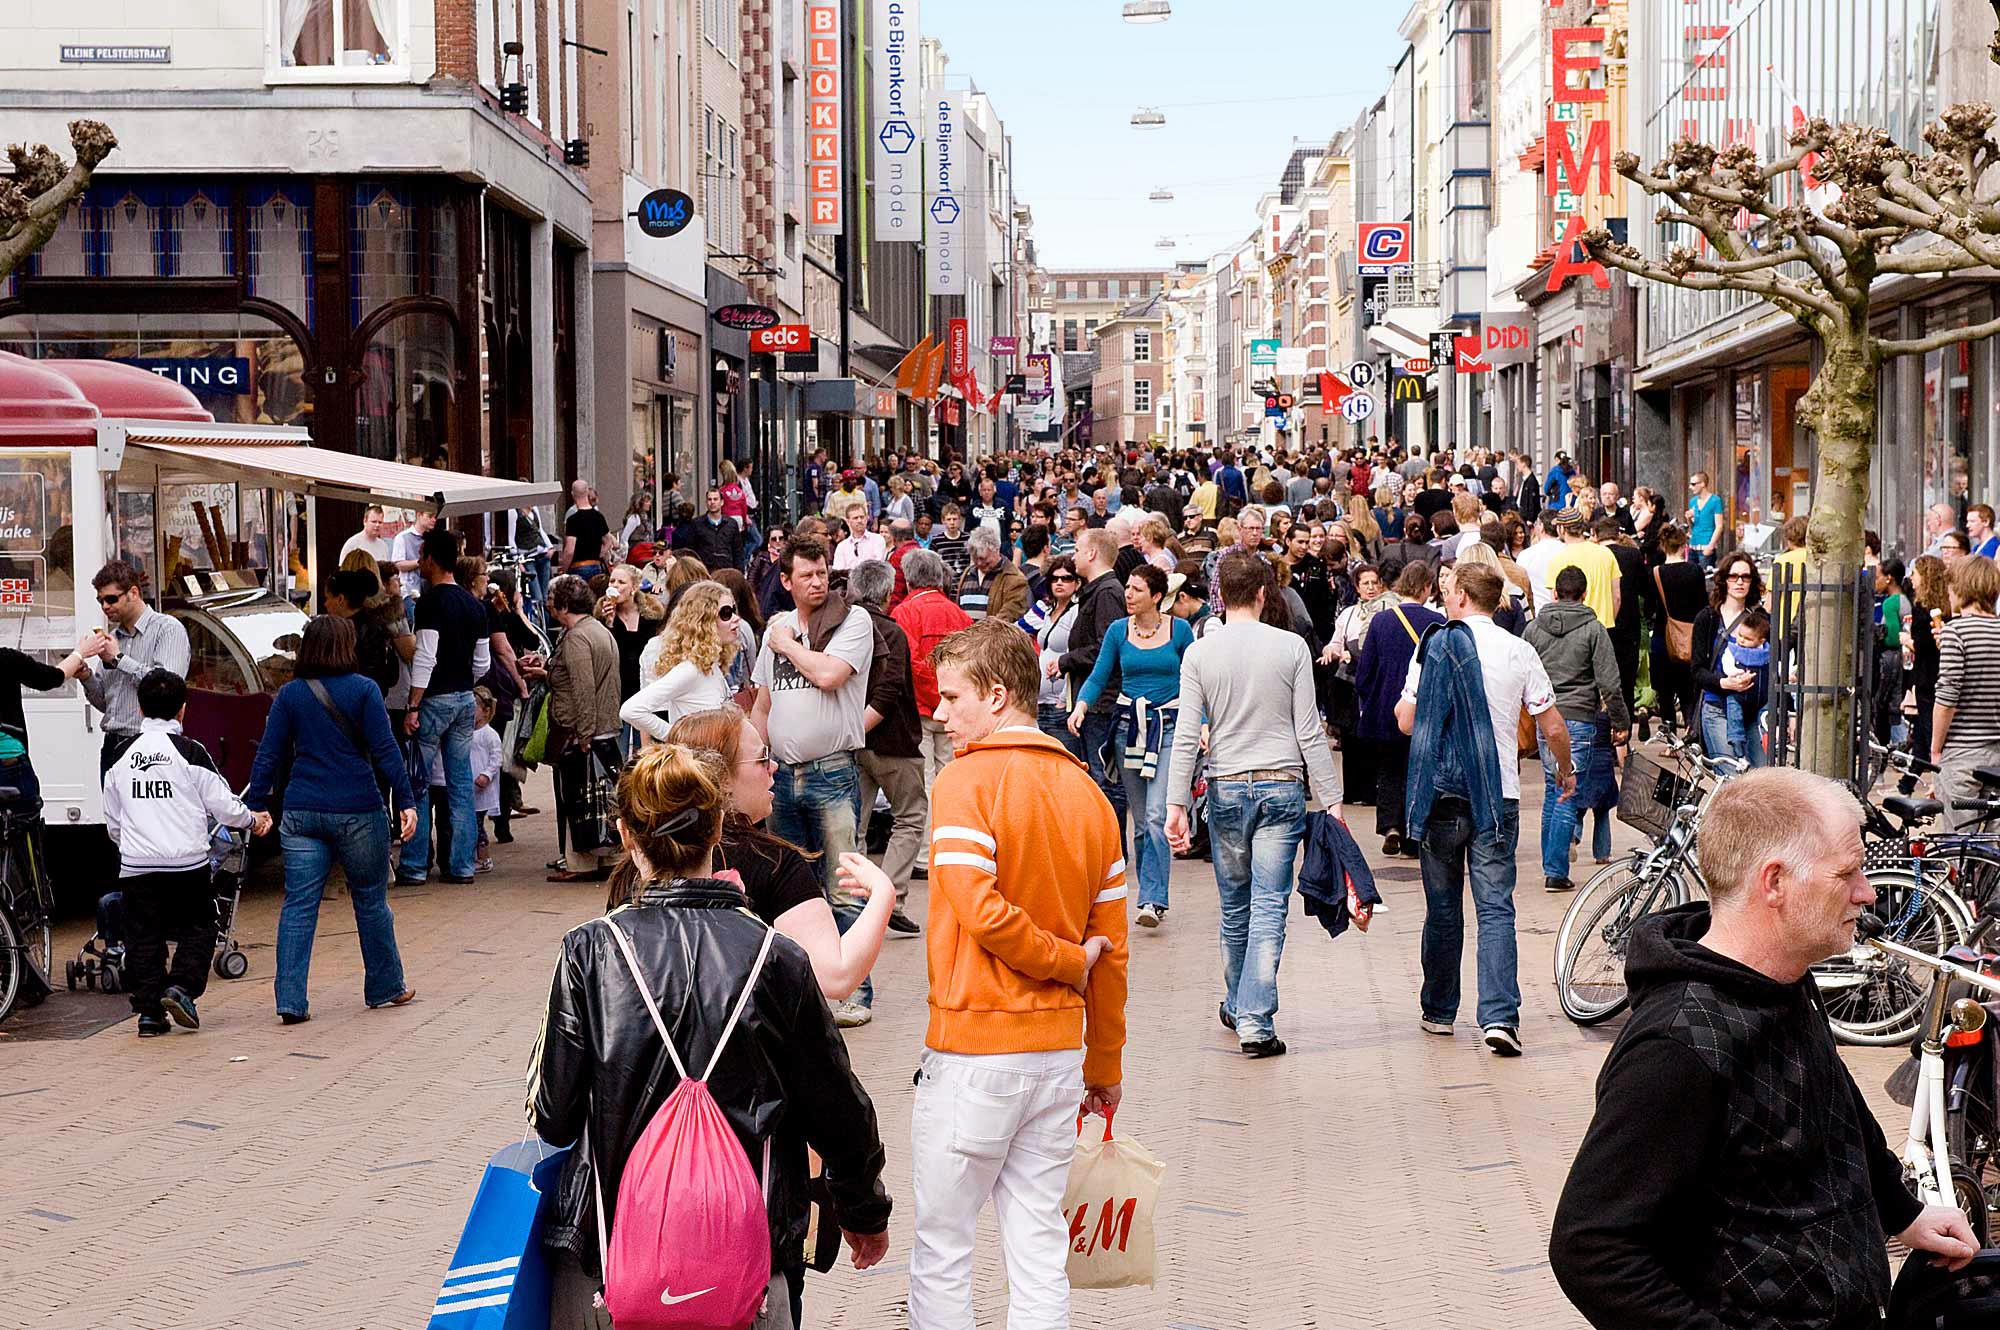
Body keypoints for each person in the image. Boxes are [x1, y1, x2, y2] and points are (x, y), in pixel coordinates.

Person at [1549, 768, 1977, 1330]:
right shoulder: (1675, 1045)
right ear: (1774, 882)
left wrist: (1906, 1214)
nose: (1867, 893)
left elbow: (1836, 1110)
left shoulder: (1784, 980)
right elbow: (1592, 1248)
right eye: (1847, 874)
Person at [528, 745, 893, 1330]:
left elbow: (554, 1117)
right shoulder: (776, 957)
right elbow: (837, 1107)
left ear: (626, 835)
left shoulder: (591, 951)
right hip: (744, 1261)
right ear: (719, 826)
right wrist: (863, 1210)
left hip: (615, 1260)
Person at [910, 618, 1127, 1330]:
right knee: (1036, 1244)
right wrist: (1104, 1064)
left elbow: (977, 906)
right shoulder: (1090, 794)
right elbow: (1113, 949)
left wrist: (1062, 962)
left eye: (950, 697)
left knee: (944, 1244)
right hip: (1059, 1053)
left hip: (976, 1046)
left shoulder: (966, 780)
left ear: (997, 695)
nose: (940, 714)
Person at [1165, 552, 1340, 1057]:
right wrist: (1330, 799)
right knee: (1269, 904)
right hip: (1281, 783)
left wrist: (1176, 802)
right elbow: (1309, 730)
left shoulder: (1201, 653)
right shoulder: (1290, 649)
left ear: (1221, 595)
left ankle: (1238, 1001)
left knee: (1235, 904)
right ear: (1265, 593)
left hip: (1226, 785)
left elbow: (1184, 735)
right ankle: (1254, 1019)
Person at [1397, 562, 1568, 1057]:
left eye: (1450, 592)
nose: (1446, 600)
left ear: (1466, 598)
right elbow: (1551, 724)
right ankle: (1498, 1018)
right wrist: (1566, 769)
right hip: (1499, 794)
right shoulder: (1519, 650)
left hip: (1442, 794)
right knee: (1496, 908)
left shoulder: (1433, 646)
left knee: (1444, 907)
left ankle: (1439, 1011)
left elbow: (1407, 722)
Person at [245, 616, 417, 1025]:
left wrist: (256, 804)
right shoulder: (364, 690)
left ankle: (290, 999)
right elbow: (386, 750)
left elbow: (268, 754)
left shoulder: (289, 695)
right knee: (371, 900)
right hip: (358, 808)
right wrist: (406, 801)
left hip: (302, 811)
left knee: (299, 905)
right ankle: (384, 985)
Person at [749, 536, 880, 1013]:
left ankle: (853, 994)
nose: (818, 581)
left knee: (844, 885)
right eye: (806, 574)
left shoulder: (853, 621)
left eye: (823, 572)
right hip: (782, 777)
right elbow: (763, 702)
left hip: (832, 772)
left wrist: (785, 643)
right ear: (785, 581)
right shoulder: (778, 628)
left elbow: (829, 676)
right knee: (791, 888)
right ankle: (800, 996)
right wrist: (755, 757)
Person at [106, 669, 266, 1037]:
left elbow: (113, 820)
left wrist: (129, 846)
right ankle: (180, 988)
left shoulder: (120, 756)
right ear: (182, 710)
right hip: (187, 864)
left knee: (143, 937)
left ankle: (148, 1015)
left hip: (137, 866)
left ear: (139, 707)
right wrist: (252, 820)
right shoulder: (192, 752)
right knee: (201, 926)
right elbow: (225, 806)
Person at [1070, 563, 1194, 930]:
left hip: (1169, 728)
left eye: (1137, 590)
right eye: (1127, 587)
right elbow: (1100, 674)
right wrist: (1081, 705)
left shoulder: (1180, 630)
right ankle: (1149, 892)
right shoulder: (1118, 631)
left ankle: (1153, 899)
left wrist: (1201, 723)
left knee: (1158, 815)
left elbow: (1196, 680)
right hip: (1128, 729)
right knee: (1140, 821)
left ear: (1156, 596)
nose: (1128, 594)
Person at [1526, 566, 1631, 893]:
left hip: (1545, 715)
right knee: (1566, 792)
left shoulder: (1533, 629)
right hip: (1581, 718)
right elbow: (1610, 683)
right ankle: (1555, 871)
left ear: (1555, 593)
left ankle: (1550, 861)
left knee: (1550, 788)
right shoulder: (1593, 630)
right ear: (1584, 594)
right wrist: (1620, 723)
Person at [397, 528, 488, 886]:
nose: (419, 563)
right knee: (461, 785)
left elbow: (425, 657)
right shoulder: (473, 604)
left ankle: (415, 865)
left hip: (434, 699)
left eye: (422, 558)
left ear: (432, 560)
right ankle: (462, 865)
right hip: (465, 698)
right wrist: (465, 677)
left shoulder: (431, 602)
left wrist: (413, 704)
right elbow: (483, 664)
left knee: (419, 782)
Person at [847, 560, 929, 943]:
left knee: (855, 823)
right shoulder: (889, 631)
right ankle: (889, 898)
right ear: (886, 592)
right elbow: (891, 687)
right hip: (892, 740)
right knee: (910, 817)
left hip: (855, 742)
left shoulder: (843, 627)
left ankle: (855, 899)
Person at [534, 574, 623, 882]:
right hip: (606, 725)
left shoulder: (576, 639)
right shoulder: (598, 630)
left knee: (577, 795)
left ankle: (579, 862)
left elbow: (583, 688)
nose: (548, 607)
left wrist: (583, 734)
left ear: (564, 605)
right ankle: (606, 855)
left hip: (582, 729)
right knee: (601, 796)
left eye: (552, 602)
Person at [1356, 561, 1442, 858]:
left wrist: (1369, 700)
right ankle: (1413, 833)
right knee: (1417, 770)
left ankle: (1390, 824)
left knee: (1388, 769)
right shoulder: (1437, 622)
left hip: (1384, 708)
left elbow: (1365, 670)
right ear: (1427, 587)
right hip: (1422, 708)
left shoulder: (1381, 621)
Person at [81, 560, 192, 775]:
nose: (105, 606)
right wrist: (85, 675)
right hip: (113, 745)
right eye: (100, 600)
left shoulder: (167, 629)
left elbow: (168, 689)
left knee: (152, 810)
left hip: (152, 745)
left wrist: (120, 660)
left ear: (133, 593)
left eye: (111, 599)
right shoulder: (113, 639)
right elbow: (105, 703)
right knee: (112, 810)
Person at [1058, 530, 1132, 841]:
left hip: (1102, 703)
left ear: (1091, 554)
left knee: (1106, 781)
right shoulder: (1096, 591)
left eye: (1077, 549)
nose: (1072, 555)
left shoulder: (1107, 593)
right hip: (1092, 700)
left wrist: (1066, 660)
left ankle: (1112, 849)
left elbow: (1107, 648)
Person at [621, 580, 737, 744]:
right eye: (726, 613)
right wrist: (676, 737)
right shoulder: (690, 670)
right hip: (697, 763)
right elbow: (631, 710)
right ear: (705, 621)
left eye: (734, 610)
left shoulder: (709, 665)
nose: (736, 619)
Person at [1932, 554, 2000, 830]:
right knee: (1990, 849)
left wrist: (1935, 750)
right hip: (1997, 751)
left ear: (1961, 588)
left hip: (1962, 752)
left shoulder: (1956, 631)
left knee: (1960, 844)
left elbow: (1948, 697)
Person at [1693, 551, 1765, 767]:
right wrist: (1724, 683)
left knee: (1762, 776)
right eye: (1734, 576)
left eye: (1746, 577)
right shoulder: (1708, 618)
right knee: (1731, 777)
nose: (1740, 582)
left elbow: (1773, 661)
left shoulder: (1760, 619)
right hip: (1717, 707)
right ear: (1724, 580)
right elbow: (1697, 670)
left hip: (1753, 709)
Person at [1642, 524, 1708, 732]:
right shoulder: (1695, 571)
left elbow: (1650, 608)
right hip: (1691, 637)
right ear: (1683, 545)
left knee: (1665, 691)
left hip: (1663, 636)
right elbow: (1703, 604)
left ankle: (1669, 736)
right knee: (1689, 689)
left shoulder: (1656, 573)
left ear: (1663, 546)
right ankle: (1691, 732)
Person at [1024, 554, 1084, 757]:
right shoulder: (1047, 610)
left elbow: (1078, 653)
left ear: (1076, 583)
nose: (1059, 583)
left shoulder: (1078, 612)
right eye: (1054, 578)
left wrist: (1062, 699)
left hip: (1062, 704)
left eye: (1066, 578)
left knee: (1066, 763)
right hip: (1041, 704)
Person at [596, 563, 664, 721]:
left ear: (634, 587)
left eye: (621, 582)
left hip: (646, 688)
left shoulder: (652, 616)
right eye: (612, 582)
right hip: (617, 688)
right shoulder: (602, 616)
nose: (615, 586)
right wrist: (610, 623)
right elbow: (605, 654)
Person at [1543, 507, 1621, 628]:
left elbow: (1555, 602)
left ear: (1562, 529)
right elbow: (1616, 597)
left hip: (1572, 628)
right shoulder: (1605, 553)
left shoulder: (1557, 560)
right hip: (1603, 626)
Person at [953, 526, 1029, 623]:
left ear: (996, 550)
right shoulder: (967, 573)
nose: (979, 563)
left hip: (993, 636)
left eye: (983, 558)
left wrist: (979, 634)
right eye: (976, 558)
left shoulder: (1014, 578)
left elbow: (1008, 616)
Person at [560, 480, 611, 581]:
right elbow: (608, 540)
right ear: (587, 492)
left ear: (572, 494)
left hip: (578, 567)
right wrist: (599, 554)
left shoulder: (573, 520)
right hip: (596, 565)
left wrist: (564, 570)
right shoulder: (598, 516)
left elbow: (570, 550)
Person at [1685, 471, 1724, 568]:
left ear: (1702, 484)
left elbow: (1719, 525)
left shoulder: (1715, 500)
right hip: (1693, 544)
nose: (1690, 487)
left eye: (1693, 484)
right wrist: (1689, 519)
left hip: (1706, 543)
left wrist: (1711, 545)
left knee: (1706, 578)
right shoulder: (1693, 501)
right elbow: (1692, 526)